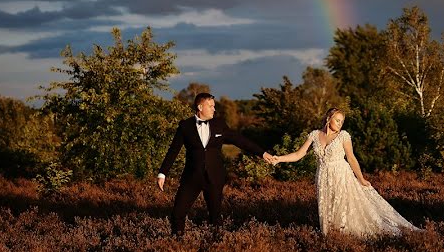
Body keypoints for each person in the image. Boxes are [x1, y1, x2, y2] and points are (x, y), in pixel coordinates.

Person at [272, 107, 420, 237]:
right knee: (328, 207)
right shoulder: (314, 135)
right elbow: (299, 154)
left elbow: (351, 158)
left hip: (341, 176)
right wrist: (279, 159)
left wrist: (361, 179)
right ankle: (332, 235)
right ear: (328, 119)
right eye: (337, 120)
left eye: (341, 121)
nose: (339, 124)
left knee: (344, 206)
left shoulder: (343, 136)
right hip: (323, 177)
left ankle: (345, 235)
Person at [157, 92, 275, 235]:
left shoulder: (219, 124)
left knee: (215, 217)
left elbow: (239, 140)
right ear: (200, 107)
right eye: (211, 106)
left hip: (214, 178)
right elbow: (173, 151)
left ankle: (216, 245)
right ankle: (178, 244)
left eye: (214, 106)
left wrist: (262, 153)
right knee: (177, 214)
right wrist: (162, 173)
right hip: (191, 178)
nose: (214, 109)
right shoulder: (185, 126)